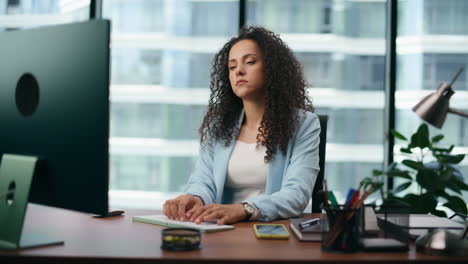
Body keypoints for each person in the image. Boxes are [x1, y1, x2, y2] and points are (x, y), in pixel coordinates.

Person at [163, 26, 320, 225]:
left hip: (272, 231)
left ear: (272, 69)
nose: (239, 71)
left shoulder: (303, 124)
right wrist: (195, 198)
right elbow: (203, 181)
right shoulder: (219, 125)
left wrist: (245, 209)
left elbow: (296, 195)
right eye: (232, 66)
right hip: (221, 231)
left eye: (250, 62)